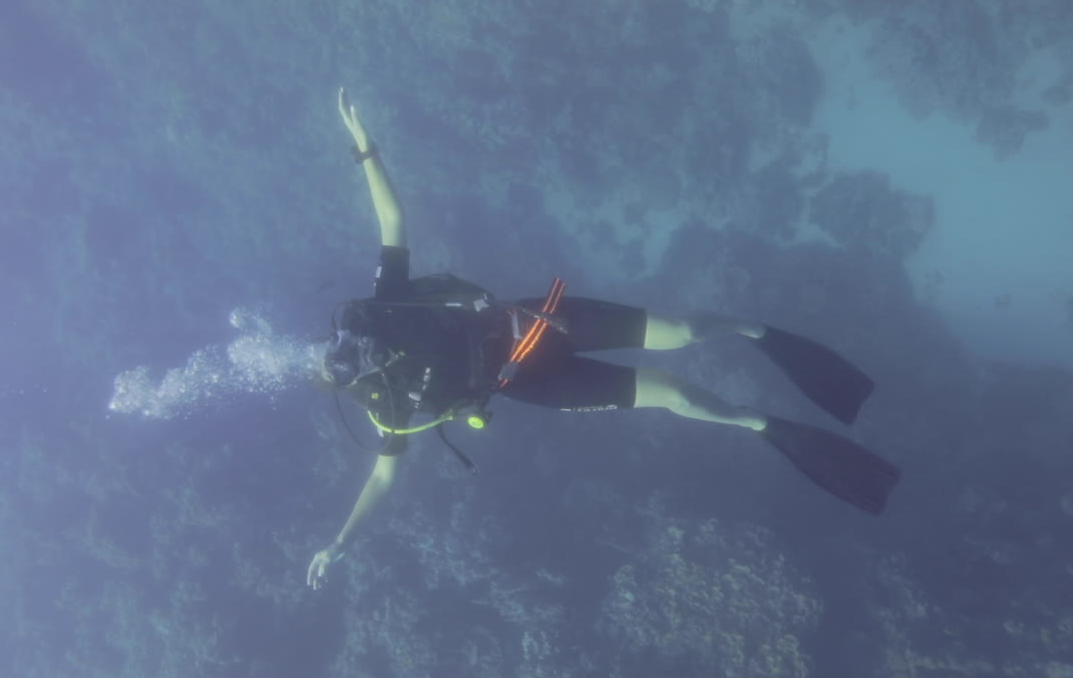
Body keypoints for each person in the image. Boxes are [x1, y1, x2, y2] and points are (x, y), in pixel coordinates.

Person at [307, 88, 900, 590]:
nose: (362, 347)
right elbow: (383, 478)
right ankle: (757, 424)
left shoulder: (382, 306)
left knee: (684, 332)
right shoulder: (390, 408)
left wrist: (363, 147)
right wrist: (339, 542)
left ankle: (752, 330)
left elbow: (393, 221)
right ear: (356, 381)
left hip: (535, 321)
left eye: (351, 341)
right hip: (533, 380)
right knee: (675, 394)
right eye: (354, 360)